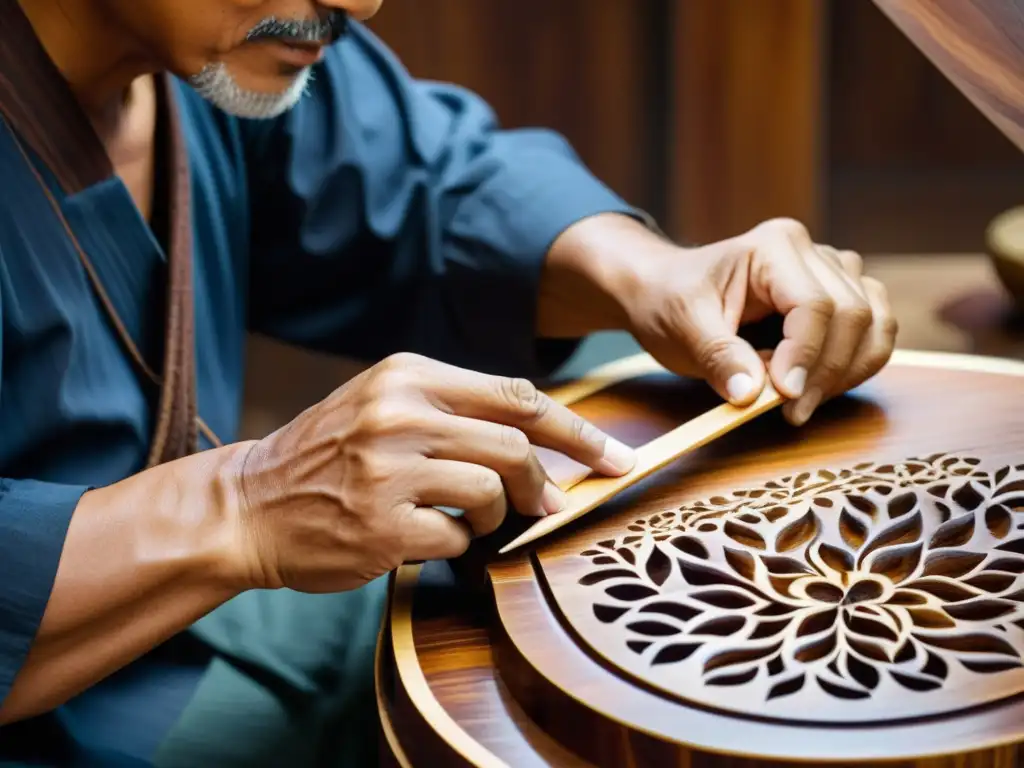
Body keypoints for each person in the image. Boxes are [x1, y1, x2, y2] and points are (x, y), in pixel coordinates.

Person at [0, 0, 897, 765]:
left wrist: (659, 276)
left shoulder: (192, 46)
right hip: (72, 715)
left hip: (203, 613)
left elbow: (424, 184)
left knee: (616, 394)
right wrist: (244, 506)